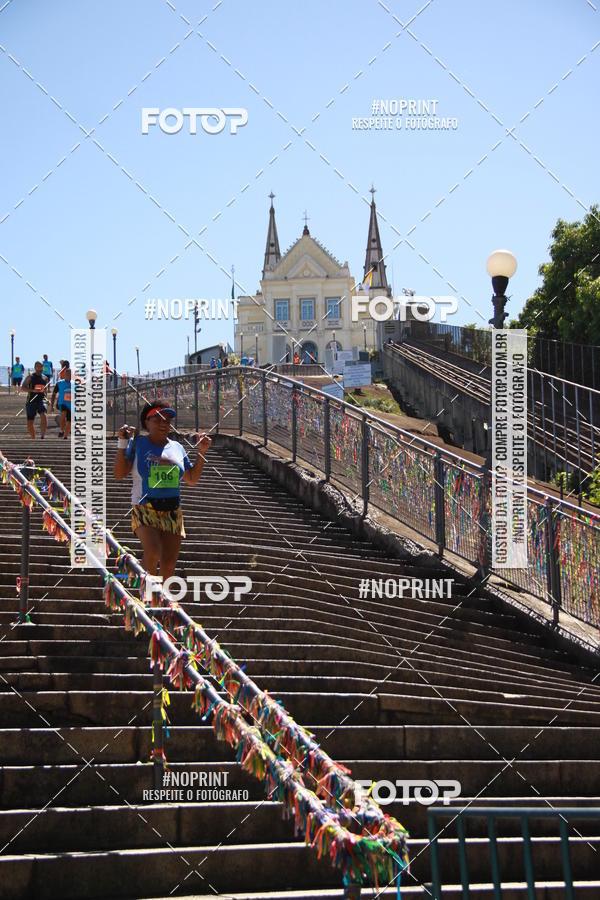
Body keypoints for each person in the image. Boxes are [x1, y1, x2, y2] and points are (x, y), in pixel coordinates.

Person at [113, 401, 211, 581]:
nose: (163, 424)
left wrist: (201, 453)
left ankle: (163, 606)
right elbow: (119, 474)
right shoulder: (138, 443)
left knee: (168, 565)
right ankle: (143, 597)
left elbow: (191, 478)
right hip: (144, 506)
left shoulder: (177, 447)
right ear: (146, 423)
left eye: (167, 420)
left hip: (173, 509)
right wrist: (122, 443)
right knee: (152, 552)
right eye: (157, 420)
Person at [22, 361, 49, 439]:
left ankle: (42, 437)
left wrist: (47, 399)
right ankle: (33, 438)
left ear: (43, 367)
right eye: (37, 367)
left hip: (41, 400)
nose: (39, 368)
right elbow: (23, 387)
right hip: (31, 400)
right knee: (30, 422)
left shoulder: (45, 378)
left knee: (43, 416)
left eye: (40, 366)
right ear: (35, 367)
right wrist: (33, 390)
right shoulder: (30, 377)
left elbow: (44, 391)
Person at [50, 368, 72, 439]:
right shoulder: (59, 383)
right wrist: (52, 405)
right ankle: (61, 430)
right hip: (62, 403)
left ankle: (65, 435)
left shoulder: (75, 384)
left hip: (71, 405)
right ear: (64, 375)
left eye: (70, 374)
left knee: (69, 420)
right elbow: (54, 394)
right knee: (64, 413)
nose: (68, 375)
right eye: (67, 374)